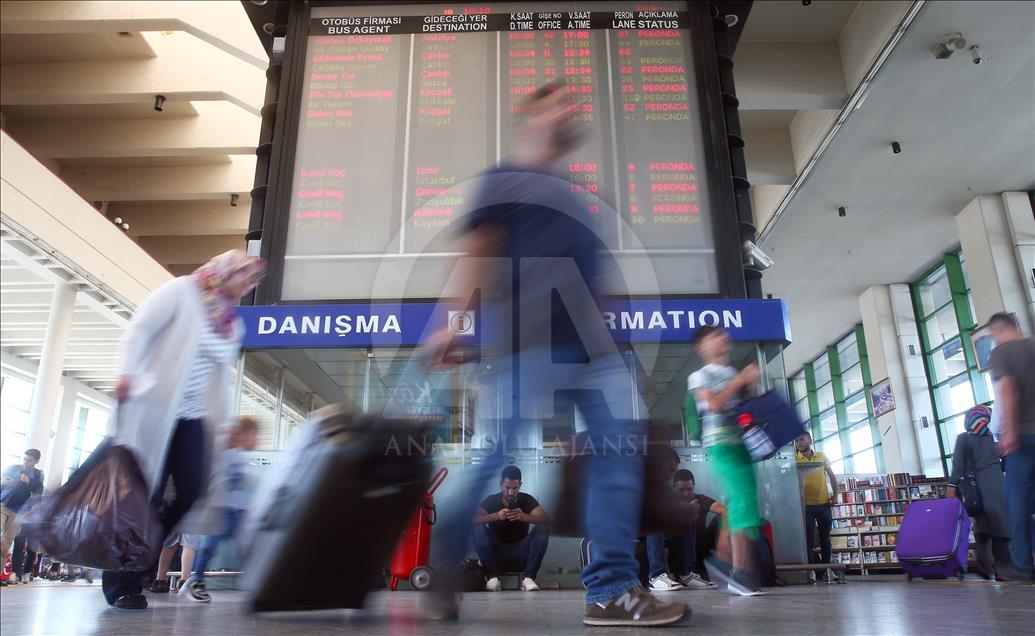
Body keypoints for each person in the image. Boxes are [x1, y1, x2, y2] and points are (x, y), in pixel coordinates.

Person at [425, 81, 687, 626]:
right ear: (530, 118)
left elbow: (596, 277)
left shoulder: (580, 196)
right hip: (527, 344)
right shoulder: (503, 179)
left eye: (574, 105)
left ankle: (611, 589)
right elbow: (478, 252)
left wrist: (624, 349)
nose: (569, 111)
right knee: (493, 461)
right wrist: (451, 323)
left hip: (598, 350)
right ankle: (445, 564)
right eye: (556, 104)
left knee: (618, 458)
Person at [102, 250, 265, 609]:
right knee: (148, 494)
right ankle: (121, 583)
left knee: (190, 492)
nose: (247, 284)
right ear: (224, 269)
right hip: (155, 409)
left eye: (253, 280)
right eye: (243, 274)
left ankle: (141, 556)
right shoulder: (181, 292)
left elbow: (220, 378)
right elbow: (140, 329)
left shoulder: (231, 323)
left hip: (192, 417)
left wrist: (223, 424)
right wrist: (127, 372)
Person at [688, 325, 764, 596]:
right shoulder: (700, 376)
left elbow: (745, 411)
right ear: (702, 347)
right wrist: (740, 382)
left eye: (723, 334)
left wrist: (749, 385)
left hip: (743, 444)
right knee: (742, 498)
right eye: (714, 336)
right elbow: (715, 405)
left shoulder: (734, 373)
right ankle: (740, 572)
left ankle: (734, 566)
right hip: (721, 444)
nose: (722, 338)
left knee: (745, 501)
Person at [180, 417, 259, 603]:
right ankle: (196, 580)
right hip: (221, 510)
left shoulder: (239, 456)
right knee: (209, 548)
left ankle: (256, 583)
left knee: (245, 549)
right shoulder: (220, 454)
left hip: (237, 512)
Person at [987, 312, 1035, 580]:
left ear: (997, 329)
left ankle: (1024, 565)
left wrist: (1010, 431)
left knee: (1018, 501)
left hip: (1024, 436)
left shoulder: (1002, 353)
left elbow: (1007, 388)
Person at [947, 405, 1012, 579]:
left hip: (974, 488)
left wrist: (952, 487)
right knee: (1000, 524)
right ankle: (1000, 567)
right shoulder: (994, 439)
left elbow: (958, 466)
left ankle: (985, 564)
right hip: (998, 485)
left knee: (983, 526)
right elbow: (1005, 461)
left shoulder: (964, 439)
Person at [472, 466, 550, 592]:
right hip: (495, 556)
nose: (510, 492)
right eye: (507, 488)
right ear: (501, 484)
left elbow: (547, 519)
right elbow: (472, 519)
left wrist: (525, 517)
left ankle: (529, 578)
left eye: (515, 488)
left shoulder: (527, 499)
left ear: (520, 485)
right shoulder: (492, 500)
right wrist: (496, 516)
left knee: (543, 528)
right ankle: (492, 578)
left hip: (521, 556)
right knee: (478, 528)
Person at [646, 468, 717, 591]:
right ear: (673, 488)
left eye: (689, 489)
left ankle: (686, 575)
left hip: (685, 542)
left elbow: (721, 509)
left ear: (694, 486)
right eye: (681, 490)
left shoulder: (699, 499)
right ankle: (655, 576)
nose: (685, 494)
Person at [795, 432, 839, 582]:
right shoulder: (794, 459)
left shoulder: (821, 456)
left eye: (801, 439)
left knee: (825, 538)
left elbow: (832, 476)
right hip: (805, 506)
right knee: (808, 540)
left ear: (810, 440)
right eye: (796, 441)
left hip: (823, 503)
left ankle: (828, 570)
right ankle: (812, 570)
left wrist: (836, 495)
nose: (799, 443)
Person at [1, 448, 45, 586]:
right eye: (24, 459)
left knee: (6, 543)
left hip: (19, 512)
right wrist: (3, 483)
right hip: (3, 505)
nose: (26, 462)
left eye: (29, 460)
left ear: (37, 461)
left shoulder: (37, 475)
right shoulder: (13, 468)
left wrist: (28, 483)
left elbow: (38, 494)